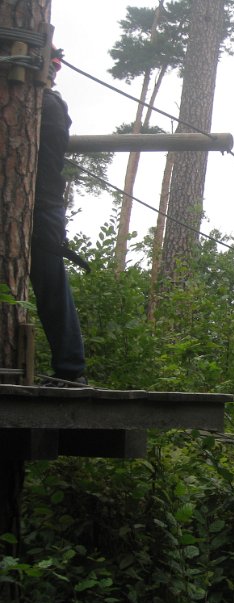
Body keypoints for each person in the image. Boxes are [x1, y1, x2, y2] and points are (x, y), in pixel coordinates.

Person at [31, 49, 87, 387]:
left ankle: (70, 368)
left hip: (43, 206)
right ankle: (69, 366)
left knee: (51, 283)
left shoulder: (48, 106)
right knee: (50, 284)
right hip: (42, 204)